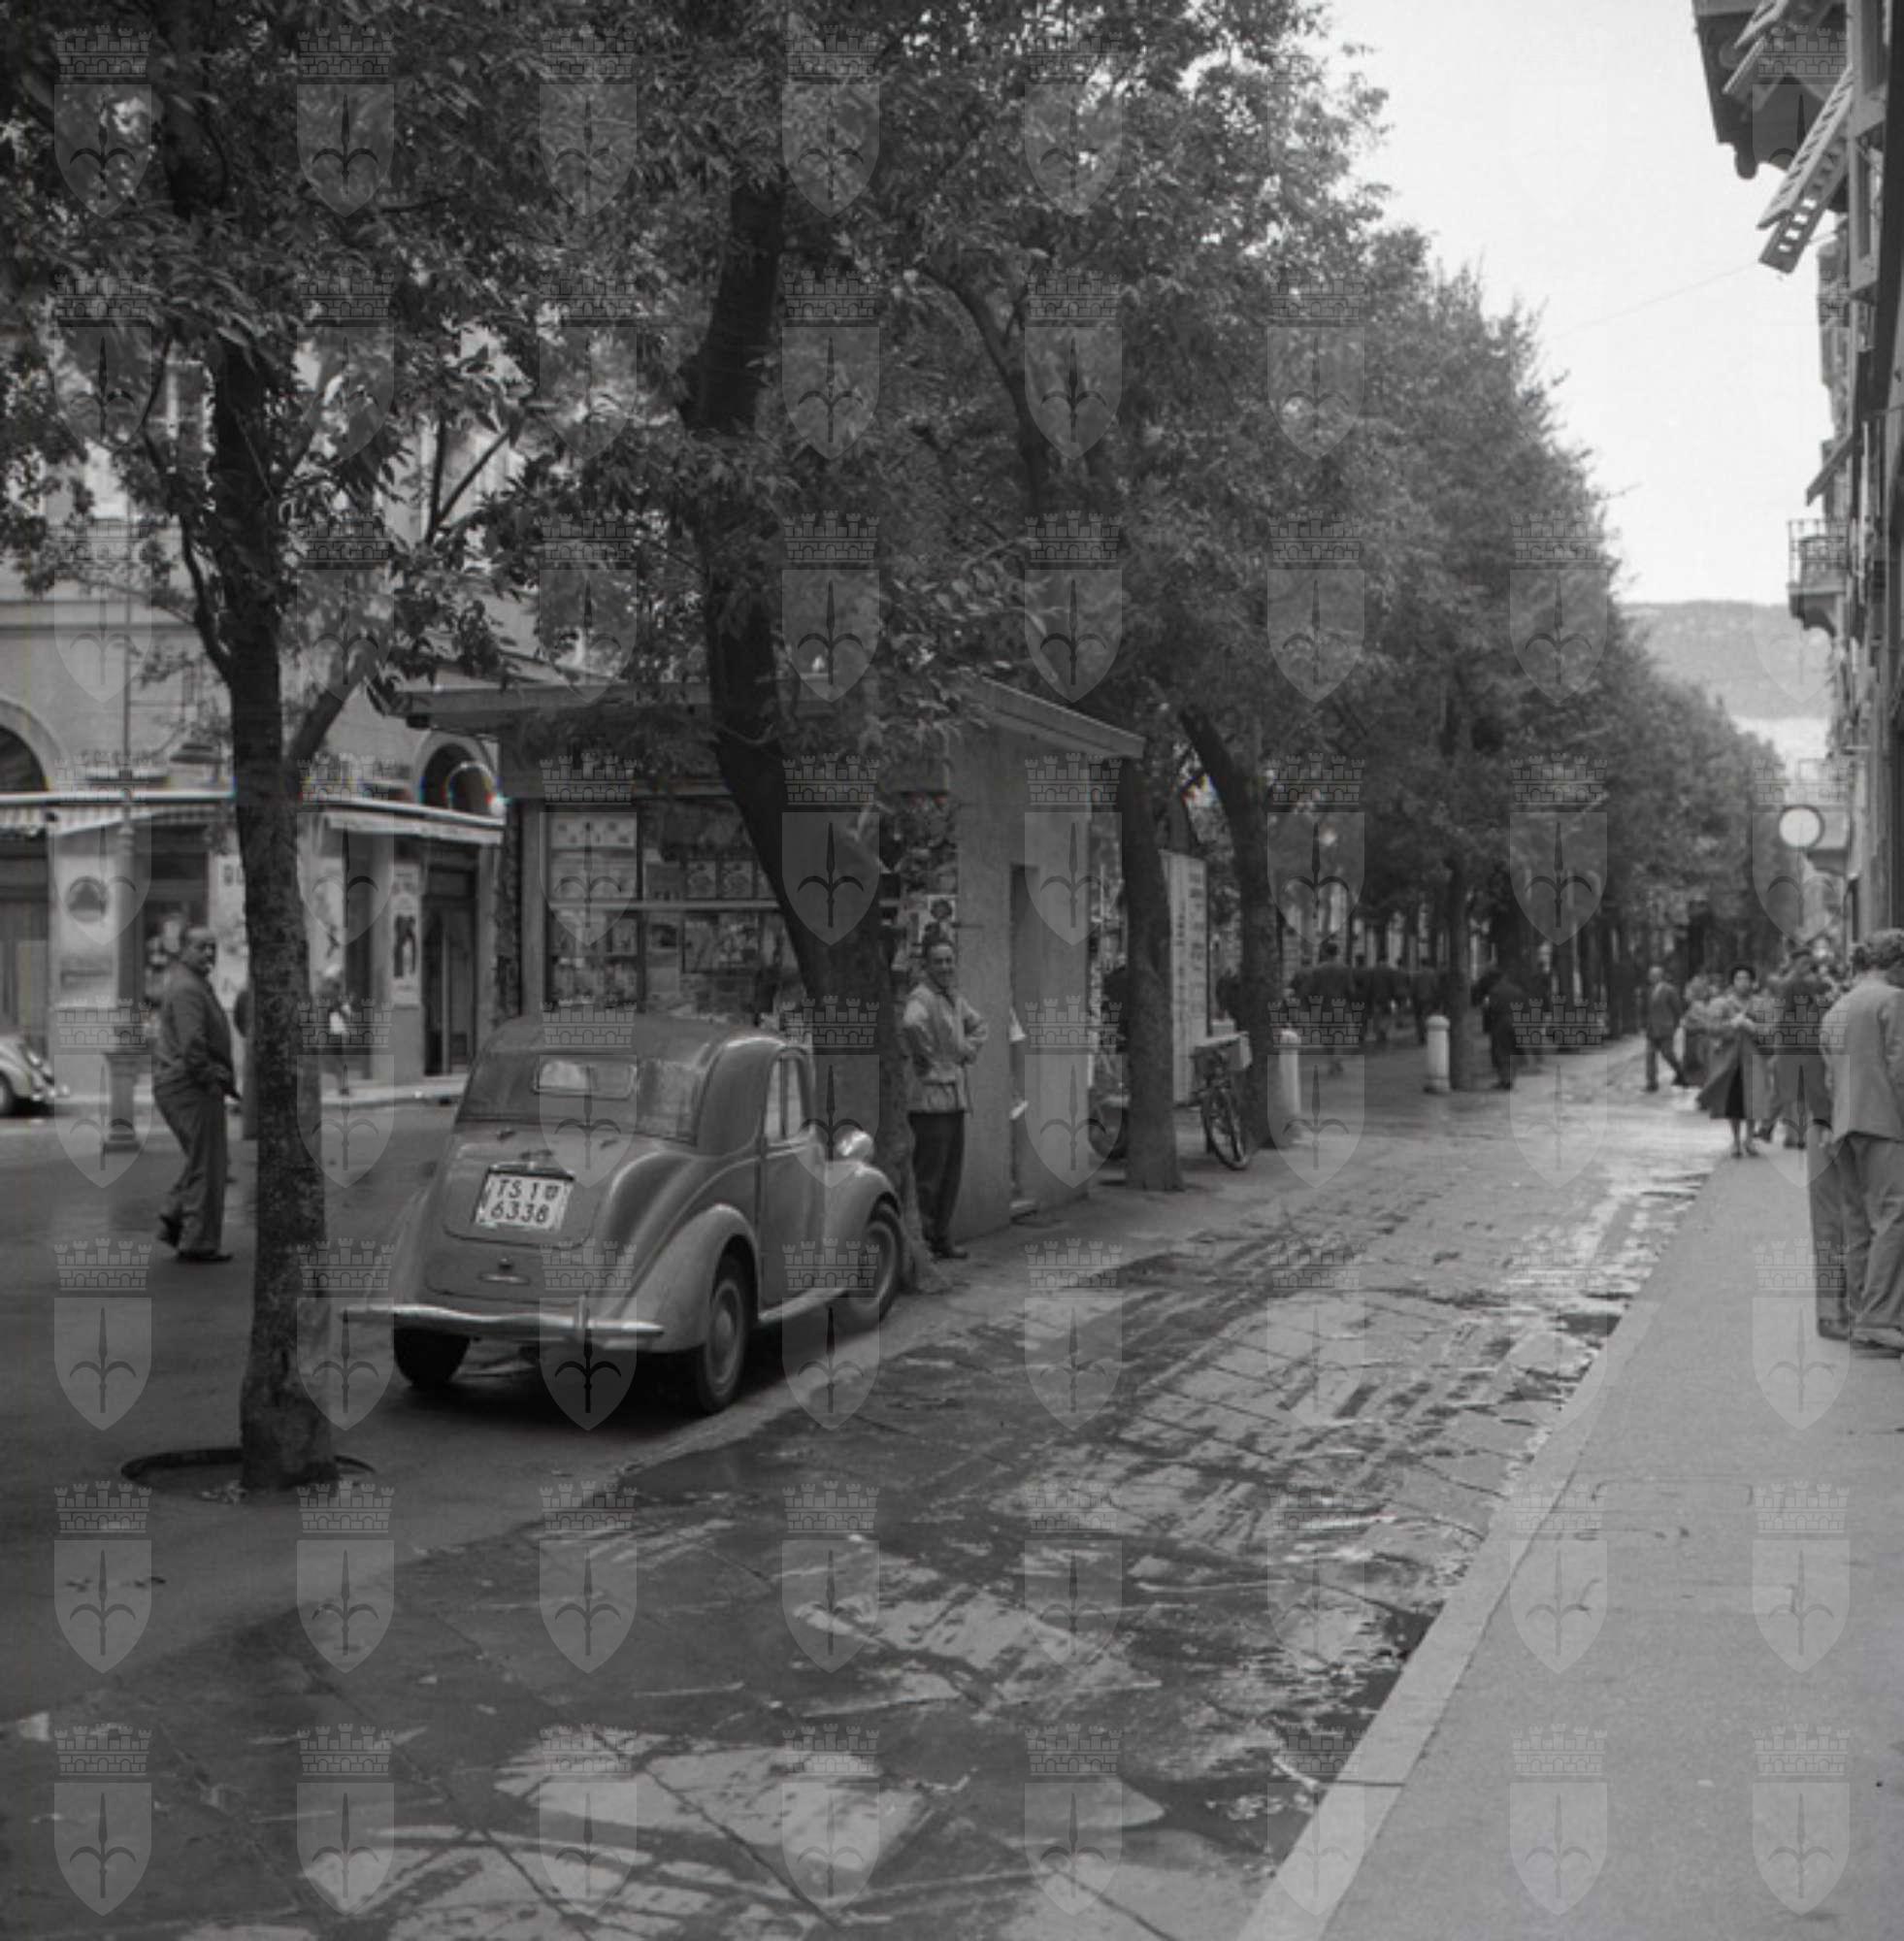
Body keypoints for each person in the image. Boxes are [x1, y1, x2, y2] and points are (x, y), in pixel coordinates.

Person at [1819, 930, 1904, 1353]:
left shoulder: (1839, 1007)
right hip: (1884, 1120)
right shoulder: (1893, 1000)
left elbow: (1830, 1075)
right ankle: (1880, 1318)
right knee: (1894, 1214)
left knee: (1857, 1222)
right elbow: (1900, 1069)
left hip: (1845, 1123)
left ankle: (1860, 1314)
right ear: (1897, 964)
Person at [152, 926, 239, 1263]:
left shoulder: (193, 983)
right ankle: (197, 1242)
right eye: (202, 947)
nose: (209, 954)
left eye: (213, 947)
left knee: (206, 1159)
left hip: (188, 1083)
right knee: (208, 1164)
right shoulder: (188, 988)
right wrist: (210, 1079)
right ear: (184, 949)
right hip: (189, 1085)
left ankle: (175, 1215)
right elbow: (192, 1044)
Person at [901, 934, 989, 1262]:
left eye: (949, 960)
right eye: (938, 961)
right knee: (929, 1177)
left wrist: (964, 1050)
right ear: (926, 965)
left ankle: (941, 1237)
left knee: (950, 1174)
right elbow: (911, 1024)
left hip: (954, 1100)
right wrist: (929, 1056)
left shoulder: (953, 997)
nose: (945, 967)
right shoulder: (922, 998)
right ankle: (923, 1242)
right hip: (928, 1102)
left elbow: (980, 1025)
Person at [1695, 964, 1766, 1158]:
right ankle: (1735, 1140)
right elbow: (1711, 1028)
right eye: (1738, 978)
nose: (1742, 982)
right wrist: (1732, 1025)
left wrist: (1752, 1027)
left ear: (1753, 982)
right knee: (1733, 1101)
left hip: (1753, 1059)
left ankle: (1749, 1138)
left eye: (1746, 979)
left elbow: (1771, 1031)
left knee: (1753, 1099)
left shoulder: (1761, 1004)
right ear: (1732, 982)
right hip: (1729, 1061)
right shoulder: (1721, 1004)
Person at [1306, 939, 1354, 1074]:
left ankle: (1331, 1060)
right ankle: (1336, 1059)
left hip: (1324, 1007)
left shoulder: (1318, 970)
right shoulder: (1344, 969)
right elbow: (1350, 990)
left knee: (1326, 1035)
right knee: (1339, 1034)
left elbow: (1311, 990)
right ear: (1337, 953)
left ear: (1325, 953)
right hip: (1341, 1007)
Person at [1479, 961, 1527, 1090]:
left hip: (1501, 1023)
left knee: (1501, 1051)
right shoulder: (1517, 990)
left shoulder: (1493, 991)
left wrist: (1487, 1026)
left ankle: (1505, 1080)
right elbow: (1525, 1008)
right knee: (1514, 1050)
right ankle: (1511, 1078)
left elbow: (1489, 1009)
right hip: (1517, 1022)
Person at [1642, 965, 1687, 1092]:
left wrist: (1674, 1026)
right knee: (1649, 1055)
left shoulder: (1670, 990)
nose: (1650, 977)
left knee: (1668, 1054)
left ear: (1659, 976)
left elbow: (1677, 1010)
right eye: (1650, 974)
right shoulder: (1649, 990)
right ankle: (1651, 1083)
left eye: (1653, 975)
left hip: (1665, 1029)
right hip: (1652, 1030)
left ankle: (1681, 1073)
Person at [1681, 970, 1713, 1083]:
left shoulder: (1698, 1006)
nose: (1684, 995)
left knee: (1701, 1068)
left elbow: (1705, 1025)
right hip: (1695, 1043)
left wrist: (1686, 1025)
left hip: (1699, 1043)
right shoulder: (1695, 1006)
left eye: (1687, 992)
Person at [1410, 963, 1437, 1046]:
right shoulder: (1432, 974)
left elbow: (1413, 988)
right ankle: (1426, 1034)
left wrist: (1412, 998)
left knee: (1419, 1018)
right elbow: (1435, 987)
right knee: (1427, 1017)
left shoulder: (1416, 974)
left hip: (1418, 1000)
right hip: (1429, 999)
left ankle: (1421, 1035)